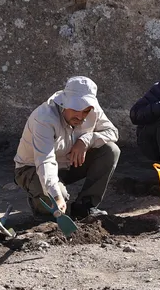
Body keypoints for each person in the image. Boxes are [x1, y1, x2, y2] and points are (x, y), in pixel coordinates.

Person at [14, 76, 120, 220]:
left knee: (110, 150)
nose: (80, 116)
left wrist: (85, 140)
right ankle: (38, 201)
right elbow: (45, 161)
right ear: (64, 103)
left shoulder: (93, 110)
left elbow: (113, 132)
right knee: (57, 203)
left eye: (85, 111)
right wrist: (56, 197)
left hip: (68, 164)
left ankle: (85, 206)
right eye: (76, 109)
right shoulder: (44, 118)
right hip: (33, 168)